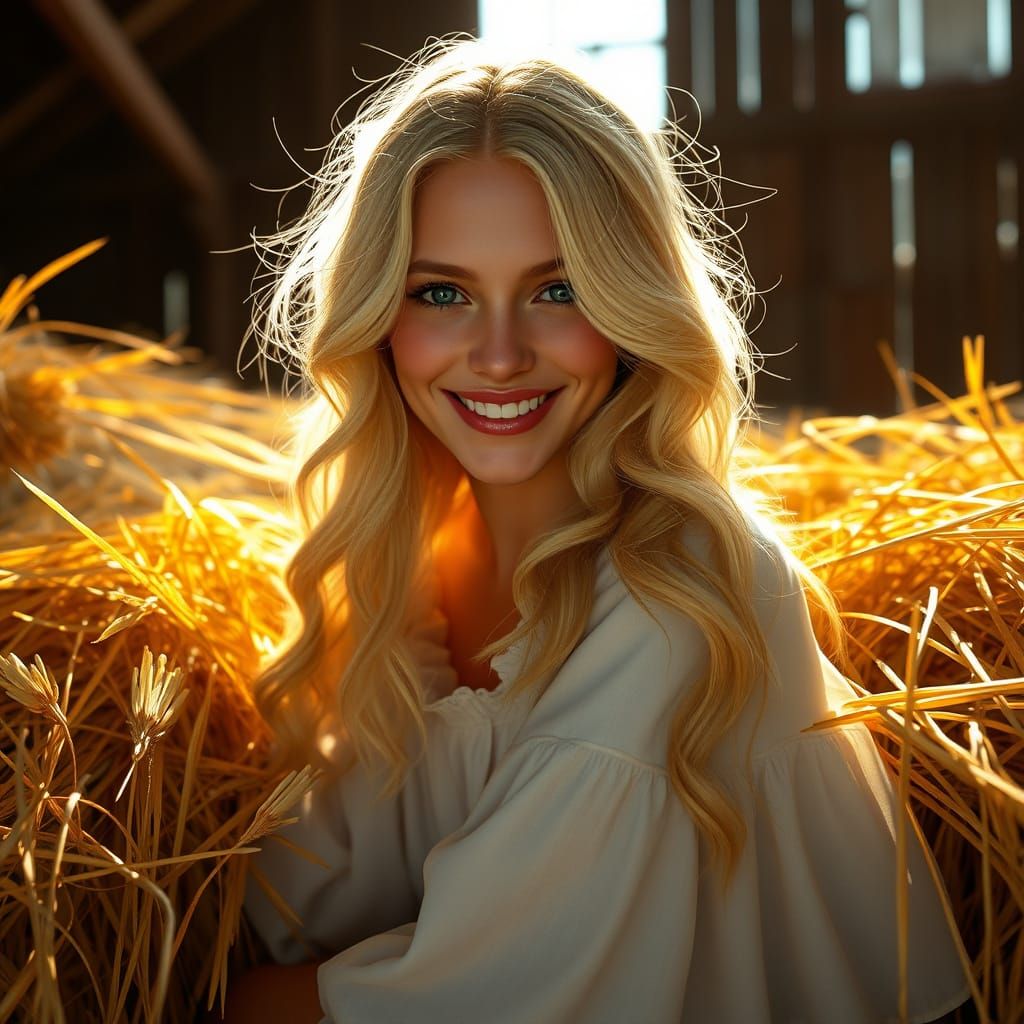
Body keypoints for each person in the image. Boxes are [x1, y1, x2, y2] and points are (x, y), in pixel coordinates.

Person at [223, 34, 971, 1024]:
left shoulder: (693, 597)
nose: (497, 354)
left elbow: (468, 1002)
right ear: (379, 317)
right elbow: (301, 912)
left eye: (557, 289)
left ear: (629, 306)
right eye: (440, 292)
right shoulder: (407, 573)